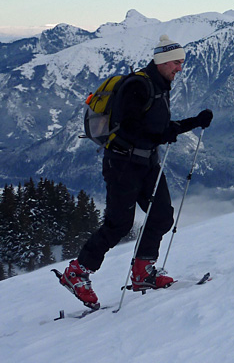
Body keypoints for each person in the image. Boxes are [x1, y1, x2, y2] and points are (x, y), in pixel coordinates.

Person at [57, 35, 214, 307]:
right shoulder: (138, 85)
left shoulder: (159, 85)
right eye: (177, 62)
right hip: (123, 164)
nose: (180, 68)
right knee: (119, 223)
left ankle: (143, 271)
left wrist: (194, 122)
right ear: (163, 61)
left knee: (162, 215)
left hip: (147, 163)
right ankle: (77, 272)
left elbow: (158, 127)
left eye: (181, 63)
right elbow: (127, 125)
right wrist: (161, 133)